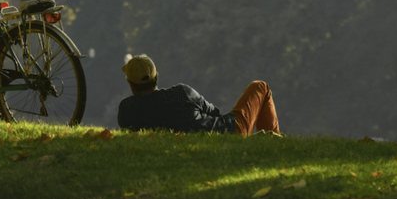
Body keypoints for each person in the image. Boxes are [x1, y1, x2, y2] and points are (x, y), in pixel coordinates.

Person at [117, 54, 280, 136]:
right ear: (156, 77)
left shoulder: (126, 110)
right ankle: (276, 145)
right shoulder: (182, 92)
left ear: (131, 85)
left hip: (212, 138)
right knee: (260, 87)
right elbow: (215, 113)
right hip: (228, 131)